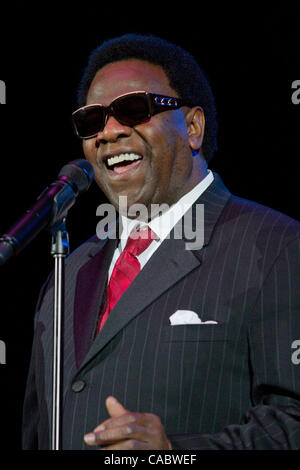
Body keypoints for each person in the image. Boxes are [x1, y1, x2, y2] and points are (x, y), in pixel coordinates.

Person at [22, 34, 300, 450]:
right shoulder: (69, 270)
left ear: (192, 127)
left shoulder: (276, 246)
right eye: (91, 121)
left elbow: (293, 423)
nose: (109, 132)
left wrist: (173, 455)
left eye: (134, 110)